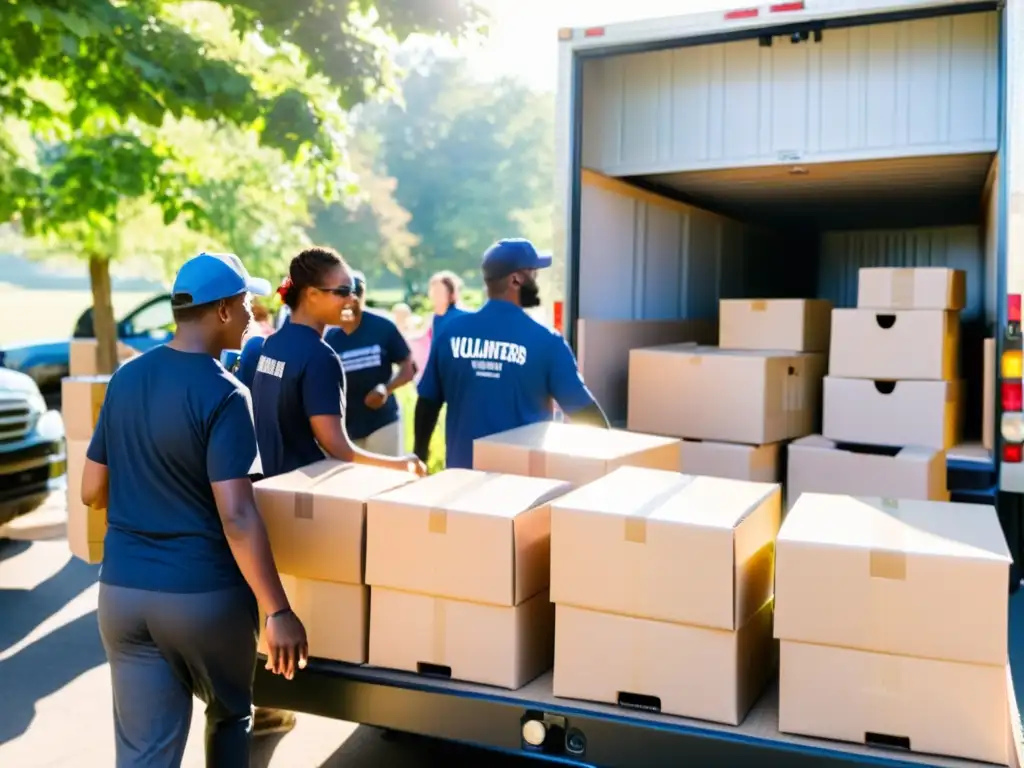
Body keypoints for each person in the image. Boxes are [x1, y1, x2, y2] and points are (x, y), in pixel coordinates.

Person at [81, 252, 308, 768]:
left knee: (144, 755)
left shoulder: (125, 379)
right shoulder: (226, 393)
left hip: (121, 595)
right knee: (230, 715)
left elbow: (92, 489)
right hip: (201, 598)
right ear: (223, 311)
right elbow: (237, 515)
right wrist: (278, 610)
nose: (253, 313)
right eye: (246, 302)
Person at [413, 239, 610, 470]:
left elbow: (427, 403)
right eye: (534, 274)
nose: (537, 283)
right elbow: (585, 413)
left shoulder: (451, 333)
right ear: (516, 279)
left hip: (461, 485)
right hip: (522, 488)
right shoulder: (546, 342)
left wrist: (419, 459)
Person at [251, 246, 425, 479]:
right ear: (312, 295)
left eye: (353, 291)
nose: (352, 299)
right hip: (303, 489)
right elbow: (337, 448)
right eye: (343, 291)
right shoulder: (321, 356)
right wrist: (402, 466)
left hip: (269, 484)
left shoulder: (270, 345)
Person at [324, 271, 416, 456]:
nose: (348, 304)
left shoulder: (382, 327)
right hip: (348, 427)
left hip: (382, 422)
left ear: (361, 297)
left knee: (387, 479)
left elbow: (409, 367)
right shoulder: (331, 337)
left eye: (354, 297)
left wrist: (386, 389)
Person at [426, 270, 468, 340]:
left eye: (439, 291)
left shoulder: (461, 317)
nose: (434, 295)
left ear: (451, 293)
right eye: (432, 290)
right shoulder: (436, 317)